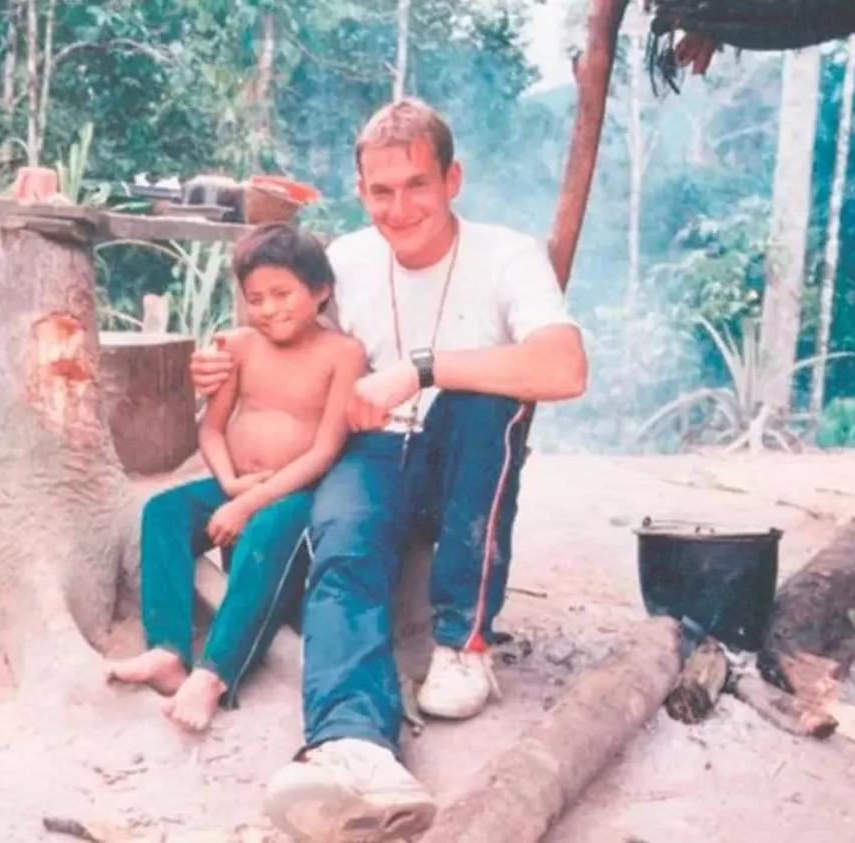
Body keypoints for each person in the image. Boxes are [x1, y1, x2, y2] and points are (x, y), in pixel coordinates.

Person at [192, 98, 588, 840]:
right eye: (381, 190)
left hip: (458, 456)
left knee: (485, 402)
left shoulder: (507, 254)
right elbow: (284, 347)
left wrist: (423, 370)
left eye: (416, 185)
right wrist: (220, 366)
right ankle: (352, 743)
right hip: (371, 450)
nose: (399, 207)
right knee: (344, 541)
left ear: (452, 178)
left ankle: (464, 642)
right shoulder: (342, 260)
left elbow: (566, 368)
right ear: (361, 190)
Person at [105, 223, 365, 732]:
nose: (269, 309)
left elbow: (325, 450)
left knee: (266, 536)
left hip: (297, 493)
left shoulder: (343, 354)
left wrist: (249, 505)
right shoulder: (241, 345)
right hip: (237, 483)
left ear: (321, 291)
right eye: (256, 298)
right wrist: (229, 485)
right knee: (163, 512)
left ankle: (215, 674)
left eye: (282, 294)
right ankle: (167, 649)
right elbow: (213, 428)